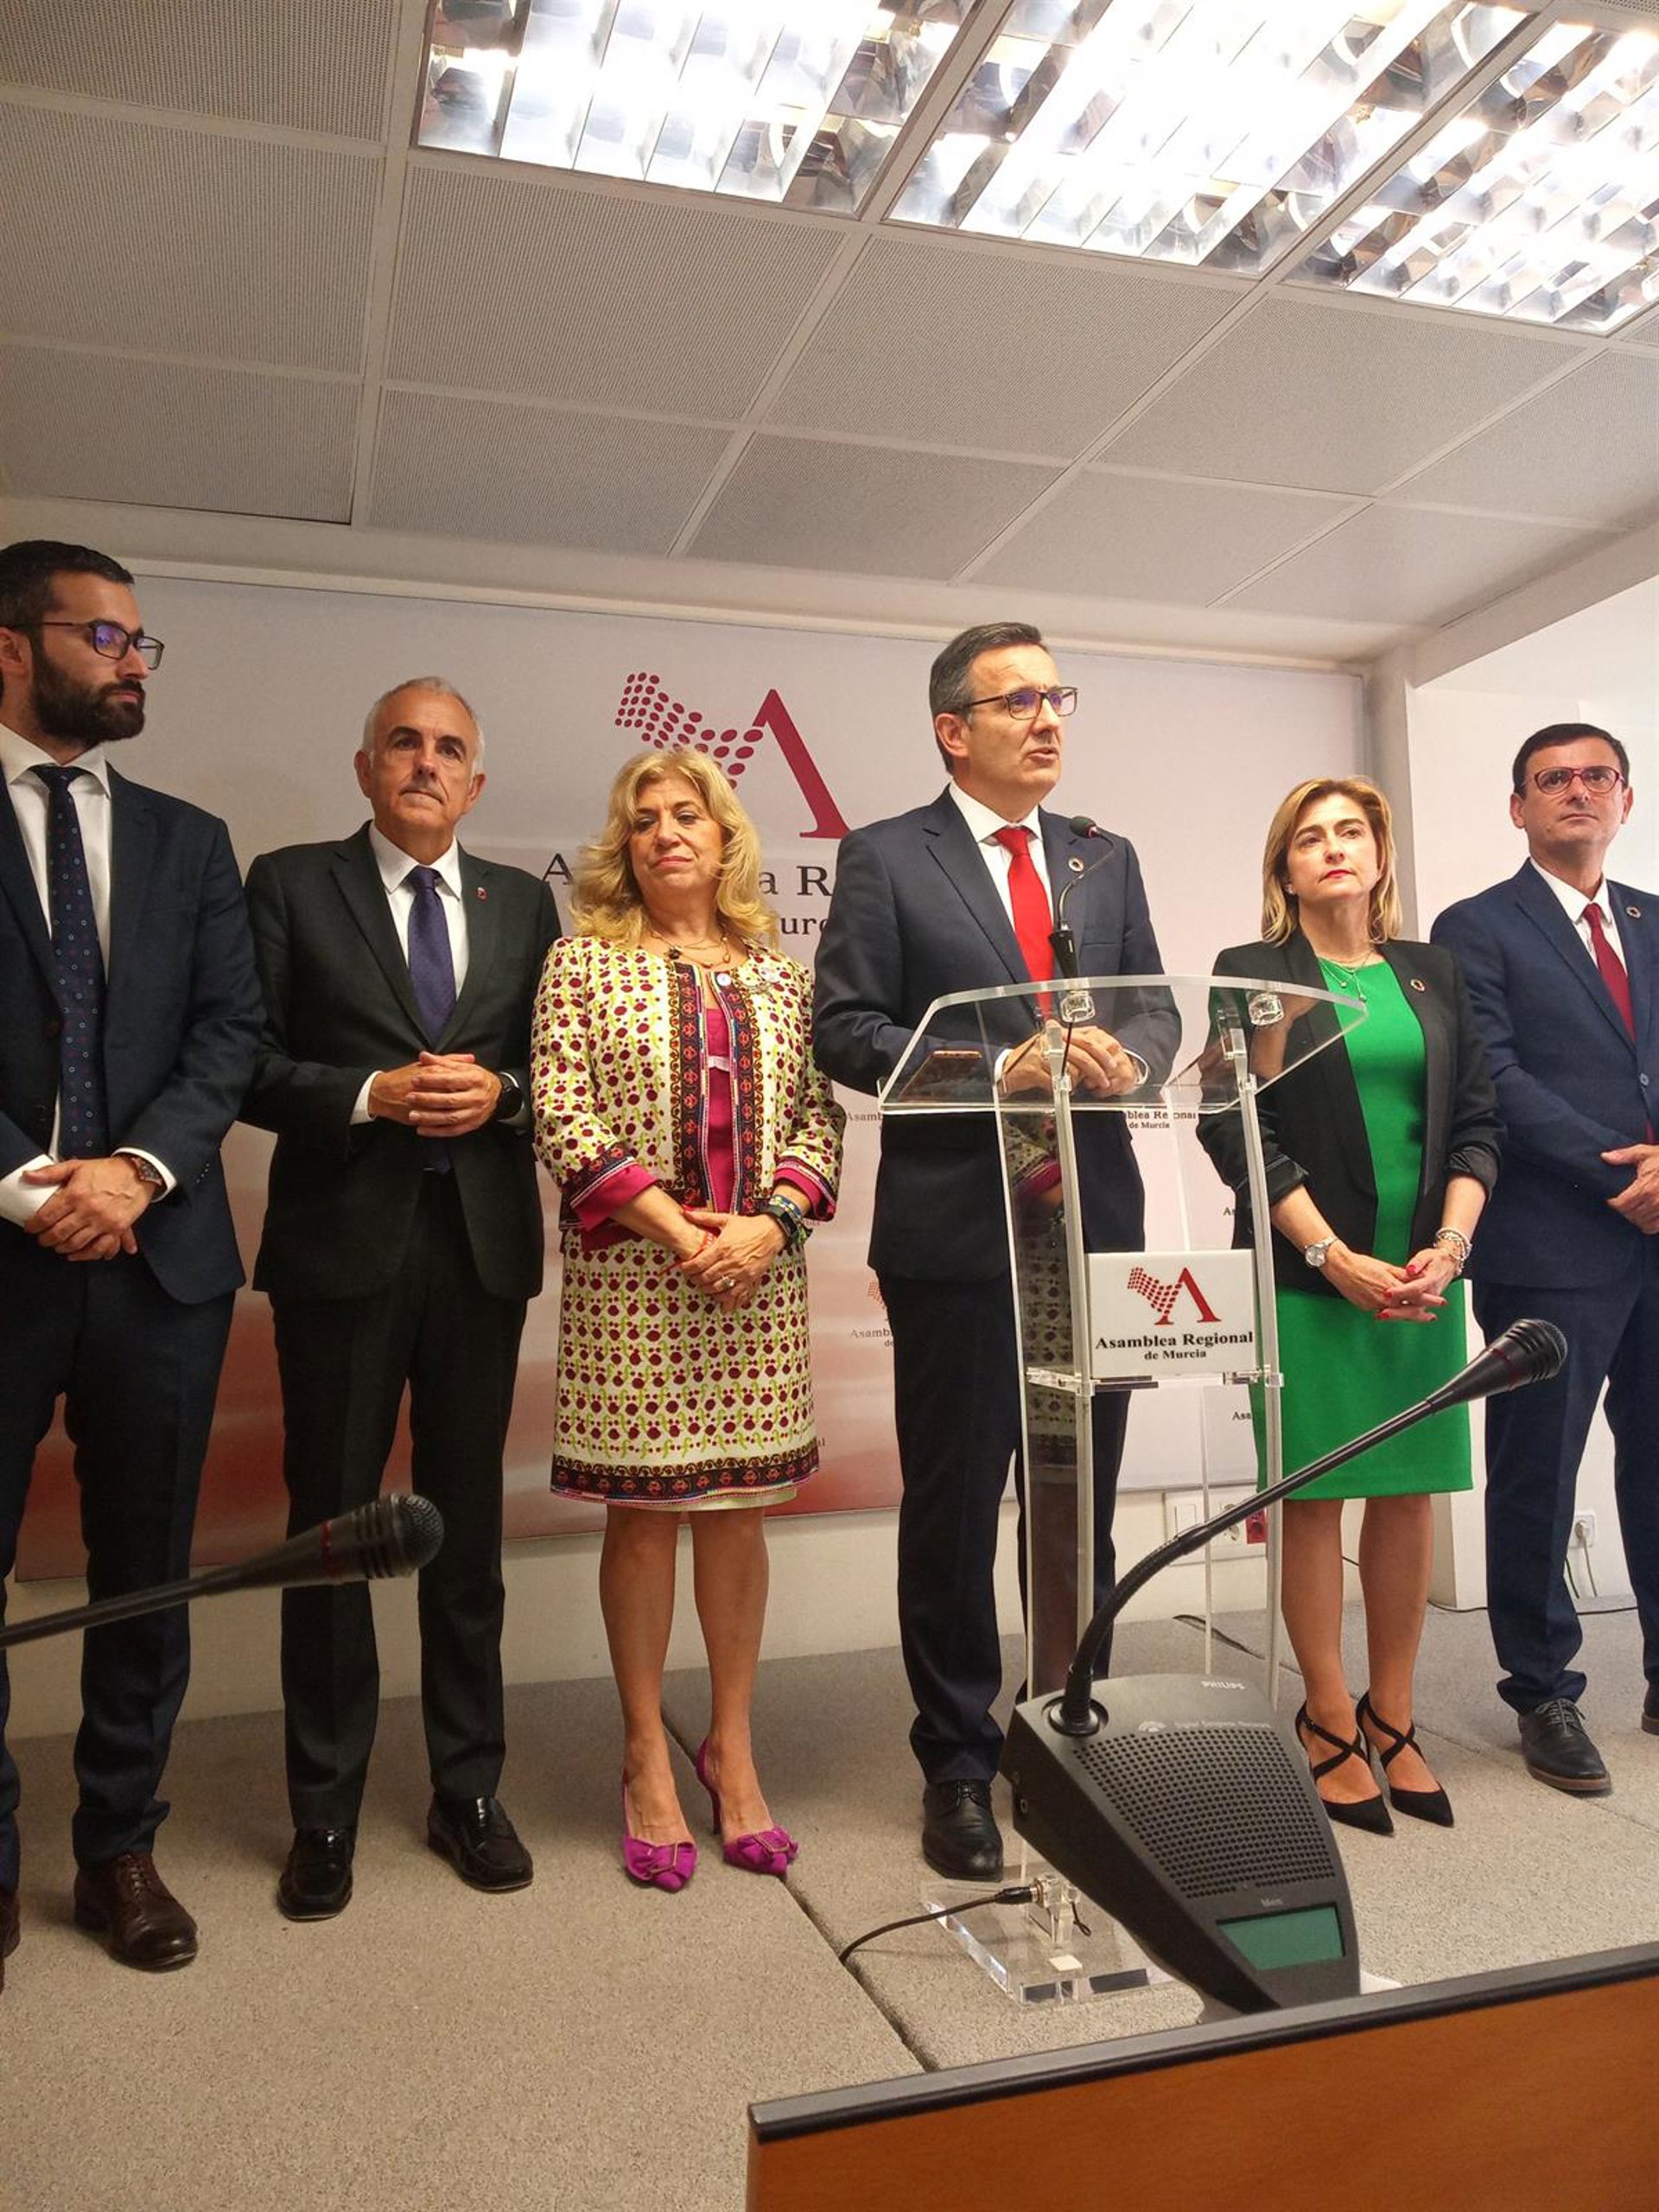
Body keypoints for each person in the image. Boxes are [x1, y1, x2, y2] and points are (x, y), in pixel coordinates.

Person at [812, 620, 1169, 1881]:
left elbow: (1156, 1007)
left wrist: (1132, 1057)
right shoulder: (885, 856)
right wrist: (994, 1064)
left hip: (1094, 1223)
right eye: (1019, 701)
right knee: (959, 1507)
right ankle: (959, 1761)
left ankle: (1072, 1729)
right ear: (953, 730)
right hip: (961, 1232)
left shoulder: (1102, 857)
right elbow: (848, 1029)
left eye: (1058, 696)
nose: (1048, 718)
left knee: (1082, 1502)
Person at [241, 678, 560, 1919]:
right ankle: (323, 1811)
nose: (426, 763)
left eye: (449, 749)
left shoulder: (522, 901)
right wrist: (371, 1095)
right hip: (341, 1253)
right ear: (366, 766)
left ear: (476, 784)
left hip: (479, 1254)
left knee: (465, 1534)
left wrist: (505, 1097)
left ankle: (467, 1791)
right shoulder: (291, 884)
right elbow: (245, 1062)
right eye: (405, 744)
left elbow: (553, 1066)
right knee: (331, 1533)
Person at [0, 539, 261, 1986]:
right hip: (5, 1246)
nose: (133, 663)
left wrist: (136, 1172)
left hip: (161, 1262)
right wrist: (27, 1186)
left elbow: (228, 1031)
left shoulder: (187, 840)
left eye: (142, 643)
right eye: (105, 638)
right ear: (11, 647)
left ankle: (119, 1848)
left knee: (146, 1574)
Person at [532, 750, 842, 1892]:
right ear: (625, 846)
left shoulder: (783, 977)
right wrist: (681, 1234)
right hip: (635, 1285)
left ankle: (734, 1748)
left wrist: (766, 1228)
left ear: (725, 839)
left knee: (738, 1516)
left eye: (689, 814)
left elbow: (820, 1118)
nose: (669, 831)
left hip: (756, 1283)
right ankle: (643, 1756)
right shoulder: (581, 961)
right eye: (646, 818)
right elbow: (560, 1112)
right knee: (645, 1518)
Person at [1199, 777, 1500, 1832]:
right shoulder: (1255, 974)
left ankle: (1395, 1712)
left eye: (1351, 832)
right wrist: (1331, 1255)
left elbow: (1477, 1121)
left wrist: (1448, 1248)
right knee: (1315, 1497)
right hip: (1309, 1276)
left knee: (1410, 1493)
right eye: (1310, 838)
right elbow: (1236, 1125)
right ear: (1284, 869)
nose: (1333, 848)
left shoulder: (1432, 972)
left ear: (1380, 855)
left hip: (1422, 1276)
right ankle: (1327, 1715)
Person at [1433, 724, 1659, 1794]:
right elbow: (1497, 1077)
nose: (1578, 791)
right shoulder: (1475, 927)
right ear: (1518, 807)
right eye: (1552, 779)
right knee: (1539, 1471)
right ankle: (1543, 1689)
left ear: (1627, 798)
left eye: (1596, 775)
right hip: (1551, 1241)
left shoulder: (1656, 920)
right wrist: (1623, 1172)